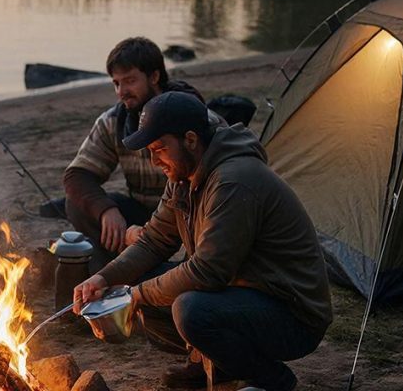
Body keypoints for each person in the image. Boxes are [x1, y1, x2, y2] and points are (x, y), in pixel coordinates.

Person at [72, 92, 332, 391]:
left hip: (292, 314)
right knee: (143, 284)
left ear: (191, 140)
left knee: (189, 308)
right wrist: (104, 278)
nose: (154, 160)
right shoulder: (183, 176)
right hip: (242, 294)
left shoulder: (233, 181)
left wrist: (135, 295)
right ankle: (210, 362)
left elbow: (208, 272)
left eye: (159, 149)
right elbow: (154, 241)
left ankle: (270, 378)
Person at [63, 36, 208, 271]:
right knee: (76, 203)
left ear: (154, 76)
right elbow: (76, 176)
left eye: (129, 81)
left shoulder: (191, 116)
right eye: (116, 83)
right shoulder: (114, 122)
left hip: (188, 209)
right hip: (143, 210)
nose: (122, 91)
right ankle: (112, 271)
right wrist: (105, 210)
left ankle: (183, 270)